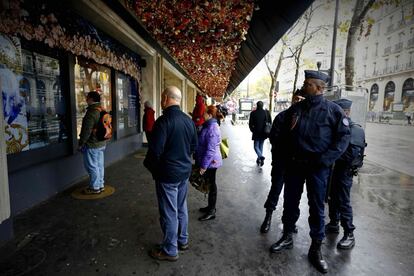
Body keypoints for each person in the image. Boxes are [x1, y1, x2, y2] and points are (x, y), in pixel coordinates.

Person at [269, 70, 350, 274]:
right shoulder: (296, 108)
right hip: (295, 165)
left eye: (307, 84)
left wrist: (325, 159)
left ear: (319, 88)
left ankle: (315, 249)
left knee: (316, 208)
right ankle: (287, 236)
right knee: (290, 202)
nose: (304, 86)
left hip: (317, 169)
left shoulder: (333, 111)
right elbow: (280, 127)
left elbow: (343, 139)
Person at [144, 86, 198, 262]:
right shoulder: (188, 121)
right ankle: (183, 240)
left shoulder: (163, 121)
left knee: (169, 212)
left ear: (166, 98)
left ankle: (170, 250)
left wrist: (154, 169)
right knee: (181, 207)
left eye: (161, 97)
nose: (161, 100)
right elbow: (193, 147)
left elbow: (154, 152)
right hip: (183, 172)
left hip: (167, 175)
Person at [260, 90, 305, 233]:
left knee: (294, 197)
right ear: (292, 99)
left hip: (297, 166)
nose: (298, 101)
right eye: (296, 98)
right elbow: (274, 139)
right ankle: (268, 217)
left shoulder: (306, 118)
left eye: (301, 99)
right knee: (275, 190)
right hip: (281, 162)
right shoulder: (282, 116)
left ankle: (291, 222)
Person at [326, 99, 366, 250]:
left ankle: (349, 233)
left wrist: (331, 155)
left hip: (344, 171)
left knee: (343, 201)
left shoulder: (355, 129)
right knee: (332, 197)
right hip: (334, 170)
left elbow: (350, 155)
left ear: (346, 112)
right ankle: (334, 223)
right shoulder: (337, 126)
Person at [196, 105, 223, 221]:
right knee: (210, 183)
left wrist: (203, 166)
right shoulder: (209, 125)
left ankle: (212, 211)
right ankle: (210, 207)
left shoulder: (212, 128)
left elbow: (210, 150)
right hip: (209, 160)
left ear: (210, 115)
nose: (203, 115)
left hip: (211, 162)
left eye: (205, 113)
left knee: (212, 185)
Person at [78, 91, 107, 194]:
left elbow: (86, 130)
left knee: (92, 166)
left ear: (91, 99)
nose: (86, 99)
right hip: (101, 143)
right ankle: (100, 185)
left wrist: (81, 143)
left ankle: (94, 187)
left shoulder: (91, 112)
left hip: (92, 144)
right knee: (99, 165)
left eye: (87, 98)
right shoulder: (102, 109)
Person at [248, 101, 271, 166]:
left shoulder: (253, 113)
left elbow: (250, 123)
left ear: (257, 105)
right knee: (261, 146)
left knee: (255, 146)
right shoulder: (266, 112)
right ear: (262, 105)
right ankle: (259, 159)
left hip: (256, 132)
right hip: (264, 132)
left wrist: (252, 130)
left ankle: (260, 156)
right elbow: (270, 122)